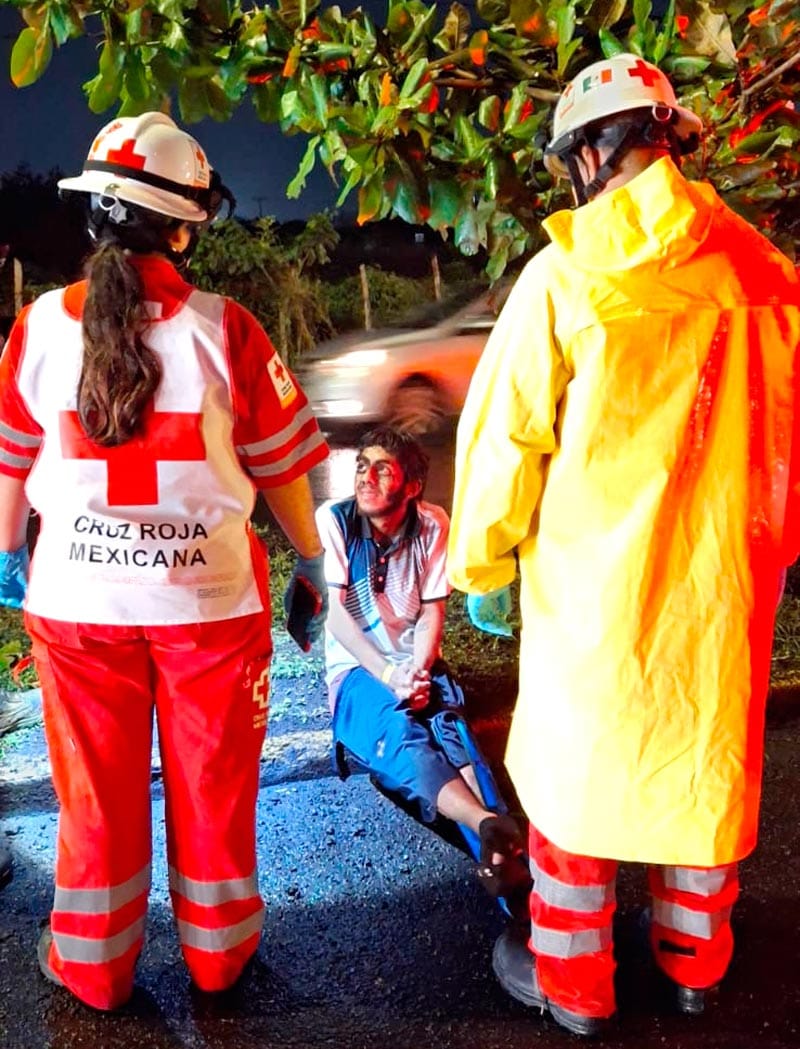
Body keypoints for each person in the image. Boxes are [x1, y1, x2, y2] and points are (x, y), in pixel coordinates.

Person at [447, 53, 800, 1037]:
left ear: (592, 152)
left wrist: (480, 565)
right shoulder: (768, 274)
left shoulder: (564, 278)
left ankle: (575, 986)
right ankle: (694, 964)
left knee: (576, 786)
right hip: (723, 594)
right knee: (698, 772)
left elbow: (501, 441)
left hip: (590, 600)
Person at [0, 112, 329, 1011]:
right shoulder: (229, 330)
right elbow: (282, 470)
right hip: (210, 610)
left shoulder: (35, 328)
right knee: (215, 789)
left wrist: (9, 550)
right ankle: (219, 956)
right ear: (185, 228)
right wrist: (310, 561)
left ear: (92, 216)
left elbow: (11, 464)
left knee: (94, 799)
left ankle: (93, 966)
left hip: (76, 609)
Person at [315, 425, 527, 904]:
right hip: (358, 669)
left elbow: (432, 610)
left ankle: (506, 870)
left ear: (412, 486)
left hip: (416, 663)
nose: (365, 477)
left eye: (382, 470)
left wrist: (418, 668)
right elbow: (336, 616)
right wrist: (389, 675)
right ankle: (487, 827)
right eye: (362, 467)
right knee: (401, 736)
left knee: (456, 737)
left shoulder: (432, 524)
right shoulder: (336, 520)